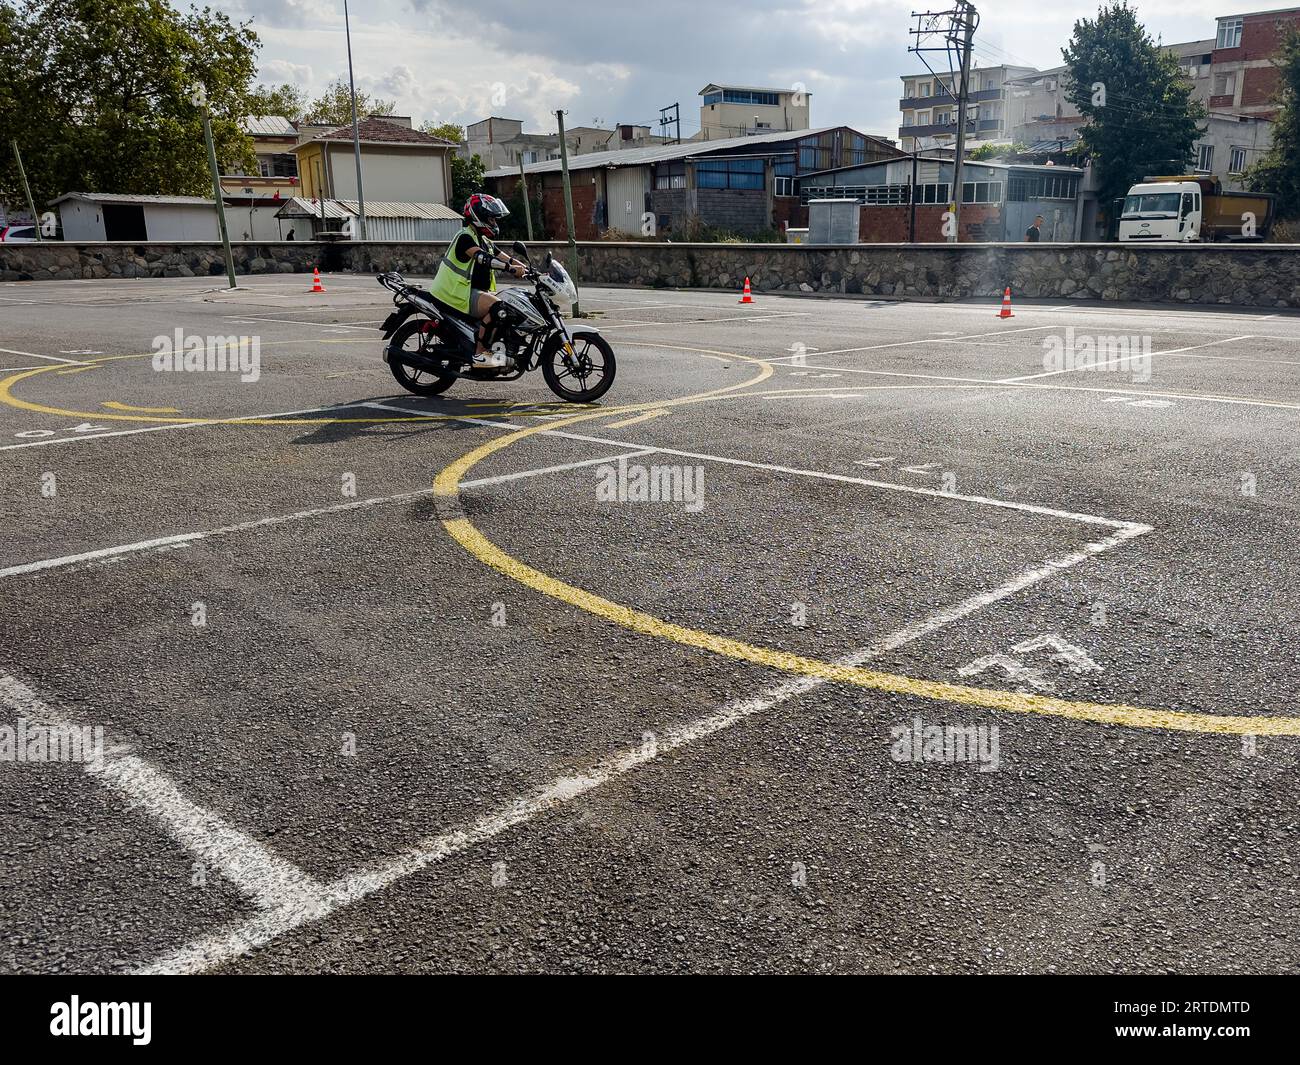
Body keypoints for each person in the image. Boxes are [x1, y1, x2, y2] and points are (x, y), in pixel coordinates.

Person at [429, 193, 529, 369]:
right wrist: (510, 269)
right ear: (479, 216)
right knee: (499, 308)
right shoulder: (465, 237)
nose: (494, 223)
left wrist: (532, 271)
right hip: (454, 293)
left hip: (470, 292)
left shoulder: (485, 241)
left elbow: (507, 259)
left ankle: (498, 349)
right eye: (491, 219)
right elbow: (482, 258)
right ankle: (480, 353)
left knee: (511, 307)